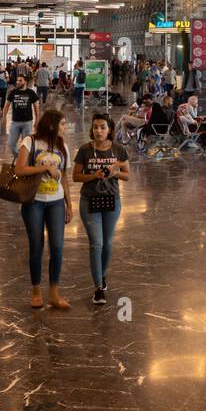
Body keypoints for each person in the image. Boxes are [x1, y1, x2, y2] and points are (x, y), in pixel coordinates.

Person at [13, 109, 73, 310]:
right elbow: (19, 169)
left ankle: (54, 292)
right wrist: (44, 168)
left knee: (57, 247)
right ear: (51, 125)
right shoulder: (30, 142)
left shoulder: (63, 146)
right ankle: (36, 290)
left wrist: (69, 204)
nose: (65, 128)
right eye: (62, 124)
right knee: (36, 247)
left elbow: (63, 177)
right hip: (33, 202)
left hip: (56, 202)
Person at [73, 113, 129, 306]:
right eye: (96, 127)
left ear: (110, 129)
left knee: (107, 243)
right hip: (89, 201)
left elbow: (127, 175)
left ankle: (103, 277)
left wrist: (115, 171)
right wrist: (94, 175)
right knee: (96, 243)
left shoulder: (119, 150)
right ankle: (97, 288)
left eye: (103, 127)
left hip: (112, 200)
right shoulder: (84, 150)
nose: (98, 131)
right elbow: (76, 177)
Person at [2, 73, 40, 154]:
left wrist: (37, 120)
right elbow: (7, 105)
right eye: (17, 80)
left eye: (20, 80)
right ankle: (18, 157)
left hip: (27, 122)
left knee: (26, 145)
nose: (17, 82)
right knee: (11, 144)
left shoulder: (31, 93)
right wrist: (4, 117)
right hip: (15, 122)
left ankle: (24, 161)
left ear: (25, 82)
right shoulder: (13, 92)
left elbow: (36, 107)